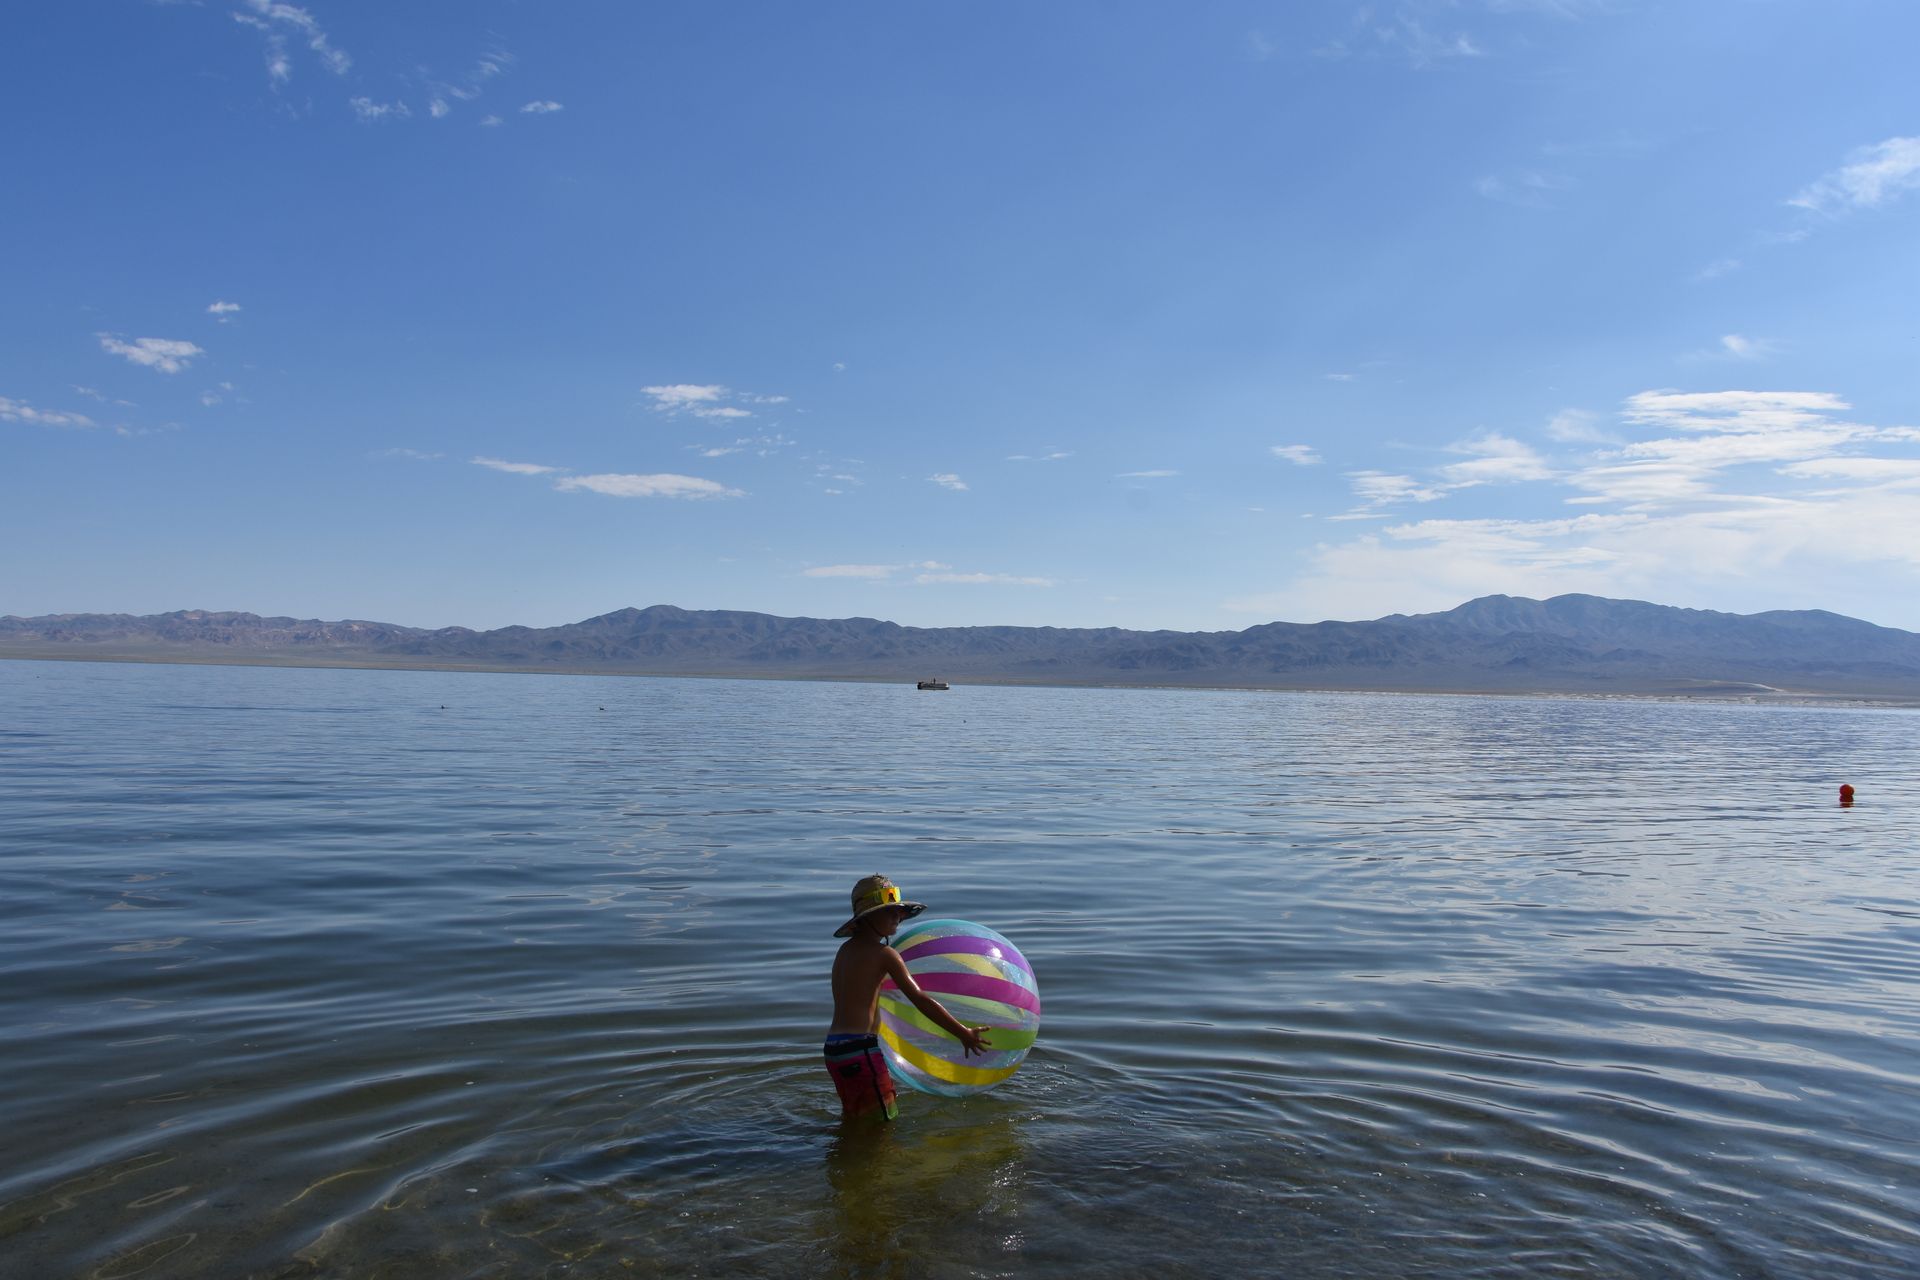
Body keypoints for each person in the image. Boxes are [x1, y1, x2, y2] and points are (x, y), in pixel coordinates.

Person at [825, 874, 991, 1121]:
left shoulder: (845, 951)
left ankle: (846, 1153)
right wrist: (962, 1032)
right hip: (861, 1050)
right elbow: (920, 999)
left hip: (835, 1050)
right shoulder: (885, 954)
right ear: (868, 917)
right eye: (890, 911)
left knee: (857, 1117)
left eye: (900, 911)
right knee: (883, 1121)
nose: (899, 916)